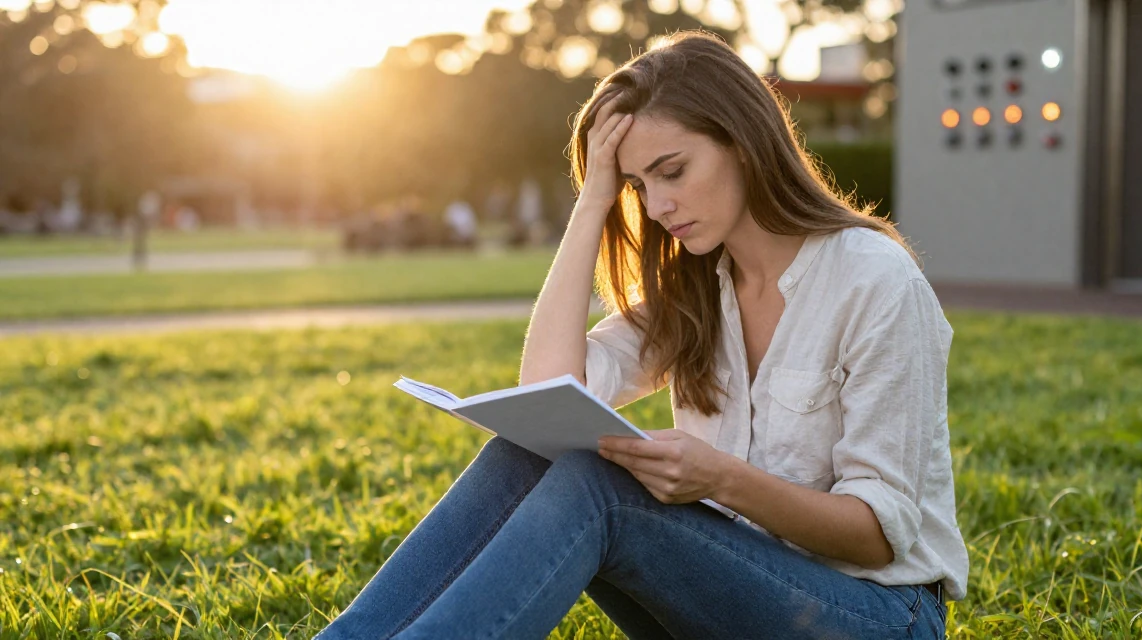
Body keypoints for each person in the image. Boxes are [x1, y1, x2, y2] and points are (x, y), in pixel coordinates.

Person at [315, 30, 967, 639]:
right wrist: (593, 200)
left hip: (879, 613)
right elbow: (548, 396)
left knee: (598, 490)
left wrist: (720, 479)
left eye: (672, 170)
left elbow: (880, 535)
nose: (656, 207)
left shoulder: (875, 283)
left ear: (743, 141)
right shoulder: (696, 288)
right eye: (637, 184)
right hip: (732, 591)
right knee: (530, 453)